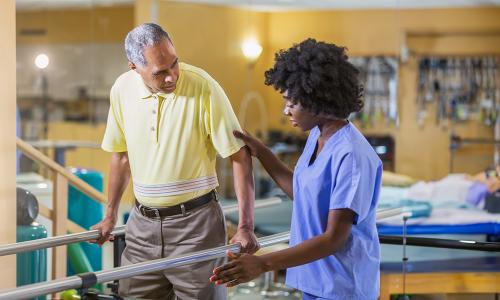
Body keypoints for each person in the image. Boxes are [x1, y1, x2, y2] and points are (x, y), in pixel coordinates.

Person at [92, 23, 258, 300]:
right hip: (141, 228)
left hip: (196, 227)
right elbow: (120, 157)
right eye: (160, 73)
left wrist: (245, 226)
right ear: (134, 67)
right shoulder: (122, 89)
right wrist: (109, 215)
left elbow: (238, 155)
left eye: (174, 64)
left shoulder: (203, 86)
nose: (172, 77)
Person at [210, 38, 383, 300]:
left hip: (343, 286)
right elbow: (305, 195)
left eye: (292, 103)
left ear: (318, 100)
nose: (286, 110)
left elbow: (333, 239)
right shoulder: (318, 135)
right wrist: (263, 153)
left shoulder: (352, 156)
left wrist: (262, 263)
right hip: (314, 279)